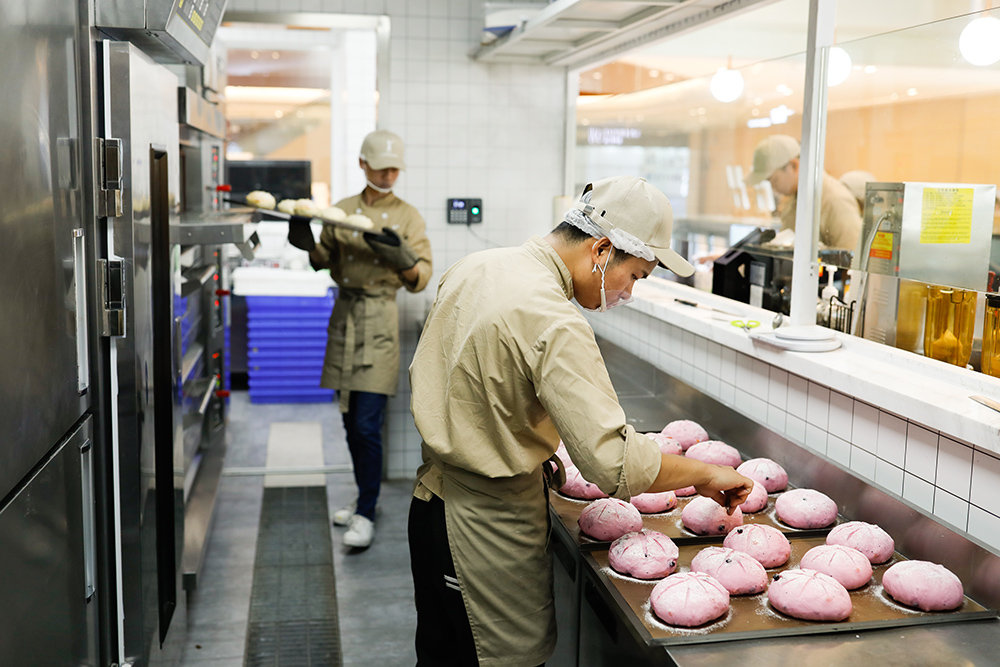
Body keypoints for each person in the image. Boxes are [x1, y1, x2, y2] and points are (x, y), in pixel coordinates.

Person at [406, 175, 755, 666]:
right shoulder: (554, 319)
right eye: (635, 276)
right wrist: (705, 474)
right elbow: (614, 466)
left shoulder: (477, 267)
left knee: (443, 655)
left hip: (430, 508)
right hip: (484, 530)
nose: (628, 292)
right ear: (602, 249)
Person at [292, 130, 433, 548]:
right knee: (350, 420)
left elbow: (419, 279)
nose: (390, 175)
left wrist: (399, 255)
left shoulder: (408, 217)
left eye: (395, 169)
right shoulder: (342, 211)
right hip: (344, 317)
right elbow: (323, 262)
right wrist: (304, 239)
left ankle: (367, 513)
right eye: (382, 167)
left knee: (368, 424)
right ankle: (363, 501)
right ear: (363, 165)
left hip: (379, 320)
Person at [745, 135, 862, 251]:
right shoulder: (793, 198)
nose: (773, 187)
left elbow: (851, 259)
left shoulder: (835, 200)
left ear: (794, 166)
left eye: (774, 180)